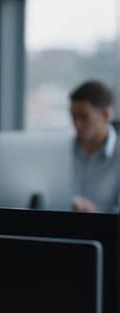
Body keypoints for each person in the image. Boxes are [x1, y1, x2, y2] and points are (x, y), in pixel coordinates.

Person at [69, 80, 120, 213]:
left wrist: (96, 214)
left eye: (84, 117)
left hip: (104, 232)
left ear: (105, 114)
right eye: (73, 116)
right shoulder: (62, 151)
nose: (76, 124)